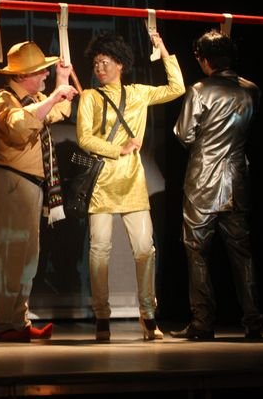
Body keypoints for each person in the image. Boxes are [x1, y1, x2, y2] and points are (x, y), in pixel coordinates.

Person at [76, 31, 184, 341]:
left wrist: (163, 49)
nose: (99, 68)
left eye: (105, 62)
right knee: (99, 250)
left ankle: (148, 314)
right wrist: (117, 148)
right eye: (96, 63)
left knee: (145, 249)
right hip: (102, 182)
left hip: (132, 182)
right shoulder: (90, 97)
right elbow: (84, 138)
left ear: (120, 63)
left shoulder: (138, 93)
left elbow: (177, 88)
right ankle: (101, 315)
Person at [170, 30, 263, 340]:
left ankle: (202, 321)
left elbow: (184, 134)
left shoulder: (200, 90)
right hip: (237, 179)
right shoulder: (252, 90)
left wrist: (205, 142)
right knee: (241, 253)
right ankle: (253, 320)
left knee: (197, 251)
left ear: (203, 59)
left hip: (203, 181)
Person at [0, 41, 77, 342]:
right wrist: (52, 98)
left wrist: (62, 80)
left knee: (27, 257)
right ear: (24, 75)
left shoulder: (34, 99)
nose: (45, 75)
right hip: (12, 183)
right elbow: (18, 127)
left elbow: (57, 111)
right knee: (11, 255)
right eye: (41, 71)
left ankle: (18, 321)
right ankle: (2, 325)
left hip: (30, 185)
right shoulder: (4, 99)